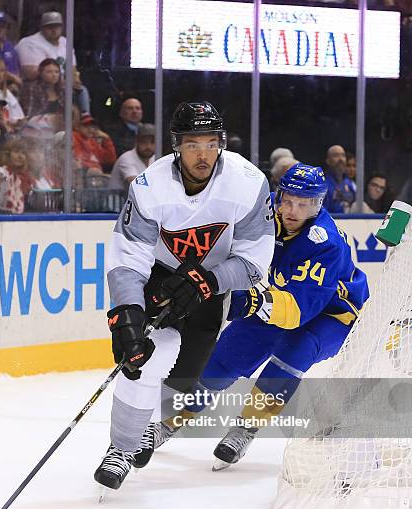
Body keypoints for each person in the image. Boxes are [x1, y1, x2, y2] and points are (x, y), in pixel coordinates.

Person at [93, 101, 275, 490]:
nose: (203, 154)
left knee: (188, 372)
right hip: (160, 275)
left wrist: (207, 281)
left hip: (214, 279)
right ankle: (121, 448)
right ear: (177, 146)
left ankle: (148, 424)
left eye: (211, 143)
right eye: (193, 144)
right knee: (142, 357)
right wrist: (127, 311)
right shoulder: (149, 186)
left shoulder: (248, 183)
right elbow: (128, 258)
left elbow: (255, 261)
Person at [150, 164, 369, 469]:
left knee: (294, 350)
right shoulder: (264, 222)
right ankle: (170, 422)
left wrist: (244, 301)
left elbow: (296, 313)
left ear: (318, 204)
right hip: (281, 299)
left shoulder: (325, 243)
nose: (293, 210)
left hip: (331, 314)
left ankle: (245, 427)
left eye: (304, 204)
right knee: (223, 360)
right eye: (288, 200)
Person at [15, 11, 77, 82]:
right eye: (50, 27)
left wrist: (74, 79)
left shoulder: (65, 42)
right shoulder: (29, 43)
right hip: (37, 86)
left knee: (82, 90)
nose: (54, 30)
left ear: (62, 27)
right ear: (42, 28)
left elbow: (73, 69)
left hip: (62, 85)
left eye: (57, 26)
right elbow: (33, 74)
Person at [0, 138, 36, 214]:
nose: (20, 156)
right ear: (8, 154)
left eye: (23, 153)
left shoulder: (25, 177)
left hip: (20, 217)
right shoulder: (1, 172)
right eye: (16, 152)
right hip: (2, 216)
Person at [109, 123, 155, 191]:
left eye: (152, 142)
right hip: (117, 200)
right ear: (136, 142)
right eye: (144, 142)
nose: (148, 146)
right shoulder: (127, 158)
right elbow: (137, 185)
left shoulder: (155, 158)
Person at [73, 110, 116, 174]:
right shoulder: (73, 137)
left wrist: (107, 139)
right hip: (80, 175)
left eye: (92, 126)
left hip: (96, 178)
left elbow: (109, 160)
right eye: (86, 126)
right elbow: (77, 160)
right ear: (77, 126)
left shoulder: (92, 142)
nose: (90, 129)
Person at [323, 144, 356, 213]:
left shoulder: (350, 184)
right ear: (328, 161)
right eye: (336, 155)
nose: (340, 159)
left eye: (343, 155)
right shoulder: (322, 184)